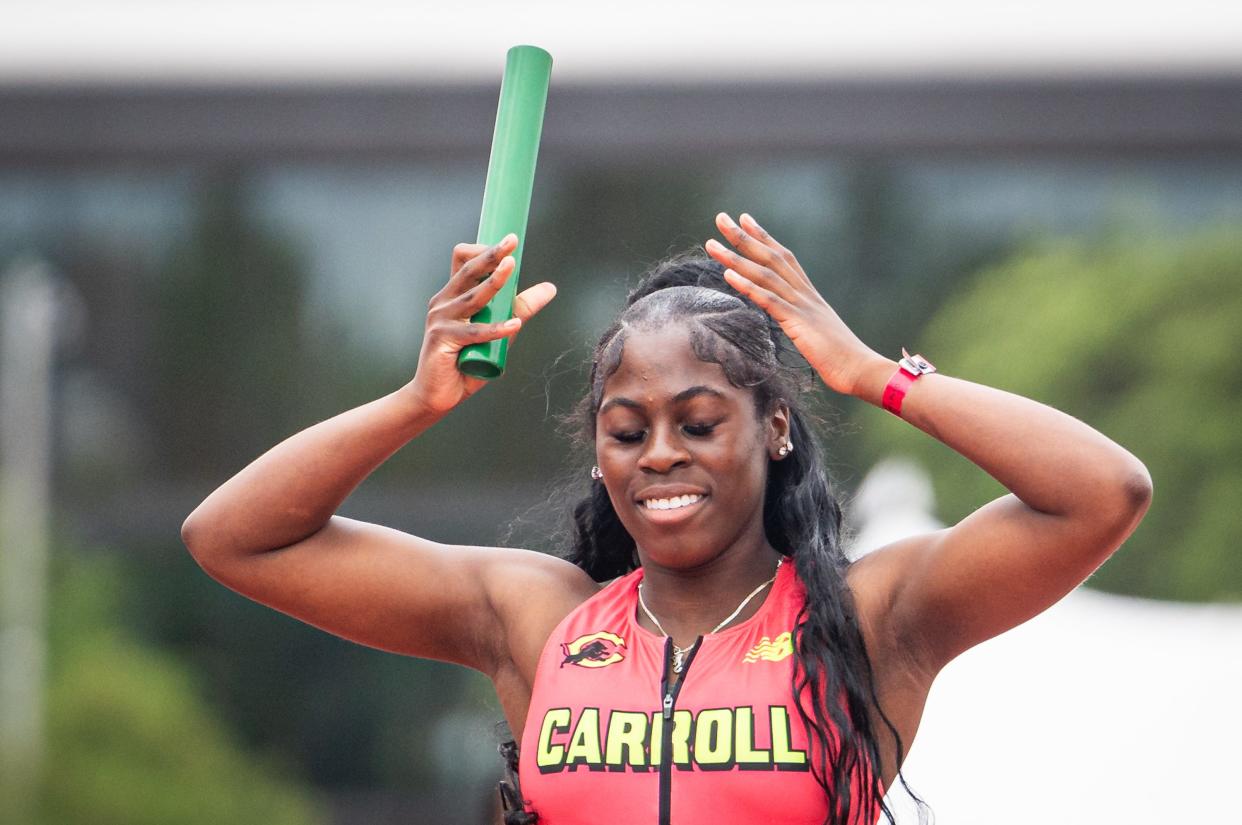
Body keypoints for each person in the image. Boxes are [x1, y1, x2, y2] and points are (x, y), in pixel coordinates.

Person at [181, 212, 1153, 825]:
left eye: (697, 422)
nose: (658, 455)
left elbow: (1103, 493)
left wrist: (874, 376)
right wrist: (416, 401)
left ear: (773, 428)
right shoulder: (541, 621)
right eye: (627, 428)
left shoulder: (870, 619)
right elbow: (234, 537)